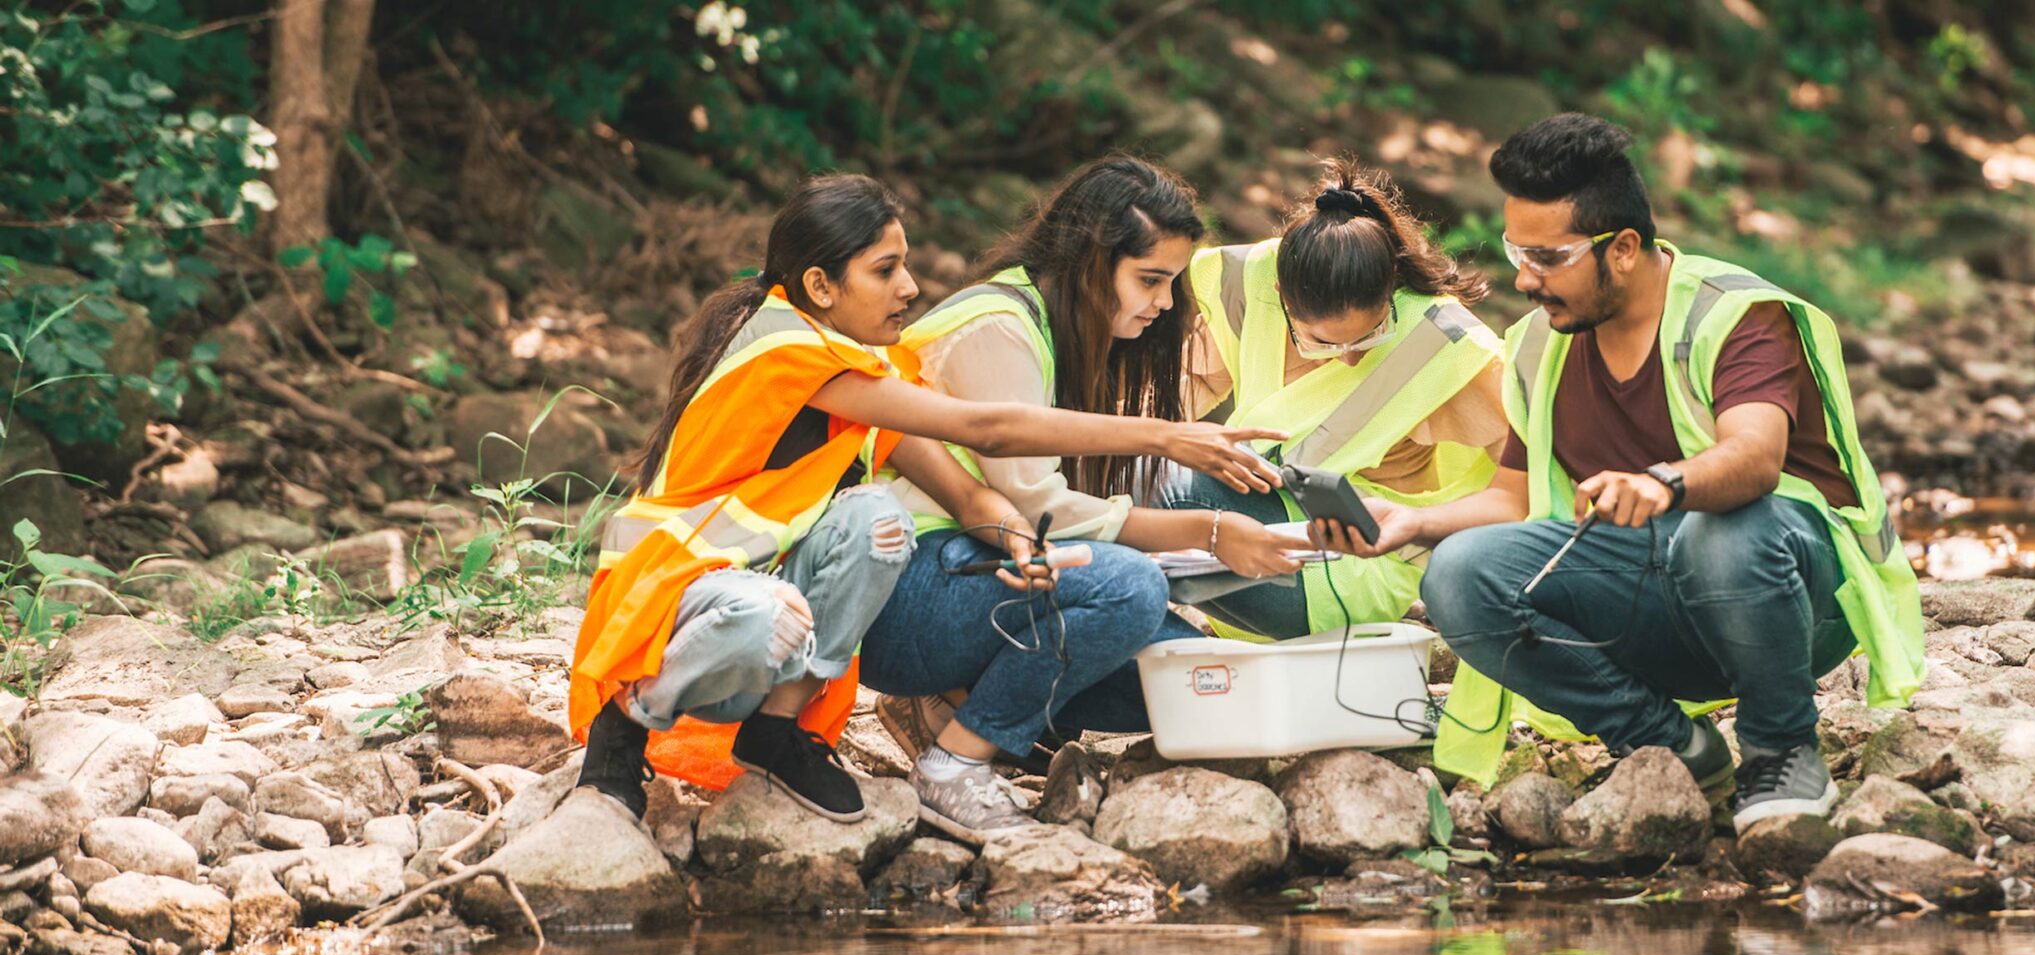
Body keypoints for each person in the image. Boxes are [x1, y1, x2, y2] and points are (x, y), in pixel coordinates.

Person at [569, 173, 1283, 829]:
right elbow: (987, 429)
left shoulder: (857, 359)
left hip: (781, 597)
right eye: (886, 270)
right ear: (820, 283)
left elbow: (966, 488)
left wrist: (1018, 542)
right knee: (792, 604)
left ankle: (778, 733)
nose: (910, 289)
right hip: (688, 601)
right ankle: (626, 723)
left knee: (884, 525)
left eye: (903, 264)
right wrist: (1171, 439)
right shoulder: (790, 349)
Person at [1318, 114, 1925, 827]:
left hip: (1795, 604)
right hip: (1655, 604)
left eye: (1548, 257)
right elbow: (1511, 499)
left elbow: (1755, 458)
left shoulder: (1735, 314)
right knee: (1456, 572)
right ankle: (1671, 746)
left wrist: (1662, 482)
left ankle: (1781, 747)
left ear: (1625, 249)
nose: (1524, 278)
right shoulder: (1538, 344)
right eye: (1520, 251)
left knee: (1718, 532)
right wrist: (1414, 521)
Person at [877, 156, 1313, 832]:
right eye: (1150, 280)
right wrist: (1212, 532)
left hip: (977, 578)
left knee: (1186, 679)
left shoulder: (1056, 330)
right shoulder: (996, 325)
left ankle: (956, 699)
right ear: (1089, 259)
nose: (1164, 304)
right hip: (907, 594)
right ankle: (954, 762)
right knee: (1131, 588)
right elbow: (1040, 512)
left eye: (1170, 283)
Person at [1165, 158, 1509, 640]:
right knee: (1123, 484)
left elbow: (1529, 486)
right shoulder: (1248, 286)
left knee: (1167, 492)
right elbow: (1169, 402)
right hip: (1269, 534)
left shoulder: (1441, 341)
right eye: (1322, 343)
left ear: (1390, 289)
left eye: (1368, 338)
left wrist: (1420, 523)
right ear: (1281, 296)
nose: (1348, 360)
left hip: (1353, 569)